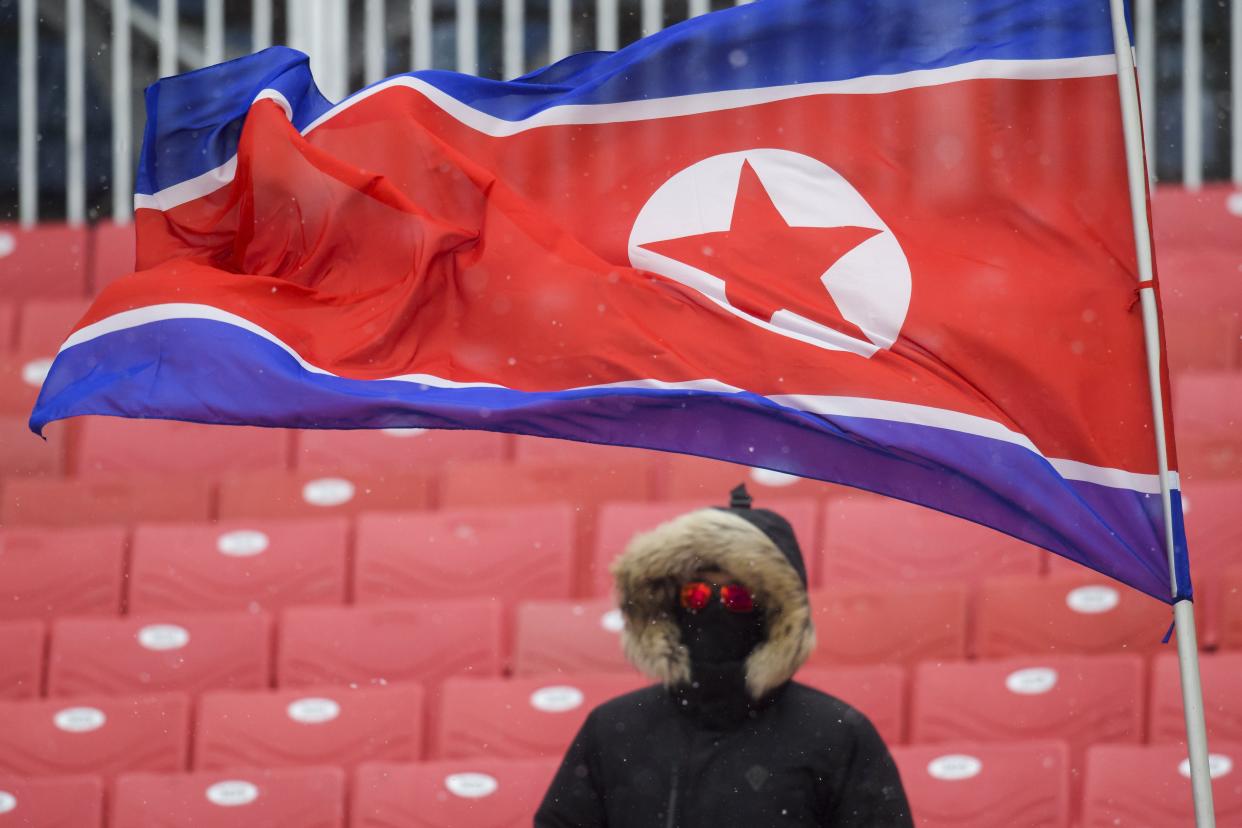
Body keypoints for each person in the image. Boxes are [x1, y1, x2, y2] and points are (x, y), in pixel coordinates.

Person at [535, 485, 912, 827]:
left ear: (774, 614)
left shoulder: (837, 735)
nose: (714, 610)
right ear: (670, 604)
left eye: (738, 598)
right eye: (695, 596)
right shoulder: (613, 730)